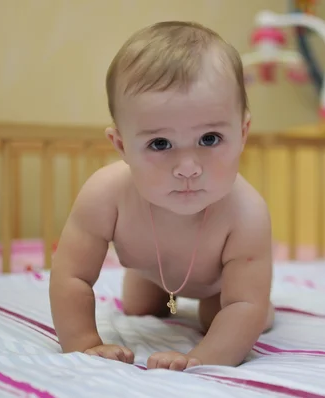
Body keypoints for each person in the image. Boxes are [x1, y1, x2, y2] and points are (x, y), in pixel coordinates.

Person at [49, 21, 274, 371]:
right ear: (122, 146)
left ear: (243, 133)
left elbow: (242, 304)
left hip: (217, 286)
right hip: (148, 268)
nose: (187, 167)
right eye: (160, 144)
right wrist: (84, 344)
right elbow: (71, 276)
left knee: (220, 316)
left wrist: (199, 359)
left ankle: (264, 304)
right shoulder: (105, 195)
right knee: (138, 306)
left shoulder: (246, 213)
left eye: (210, 139)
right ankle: (152, 281)